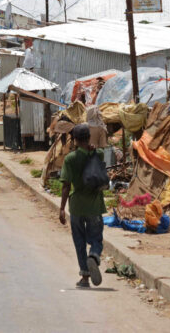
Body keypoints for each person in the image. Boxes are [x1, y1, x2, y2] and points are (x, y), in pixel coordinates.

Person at [59, 124, 107, 289]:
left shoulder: (70, 159)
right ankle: (93, 255)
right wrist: (92, 149)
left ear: (75, 140)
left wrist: (61, 209)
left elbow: (66, 185)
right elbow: (98, 153)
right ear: (89, 138)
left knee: (79, 241)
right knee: (96, 238)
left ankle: (85, 277)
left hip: (77, 206)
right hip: (95, 206)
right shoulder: (98, 154)